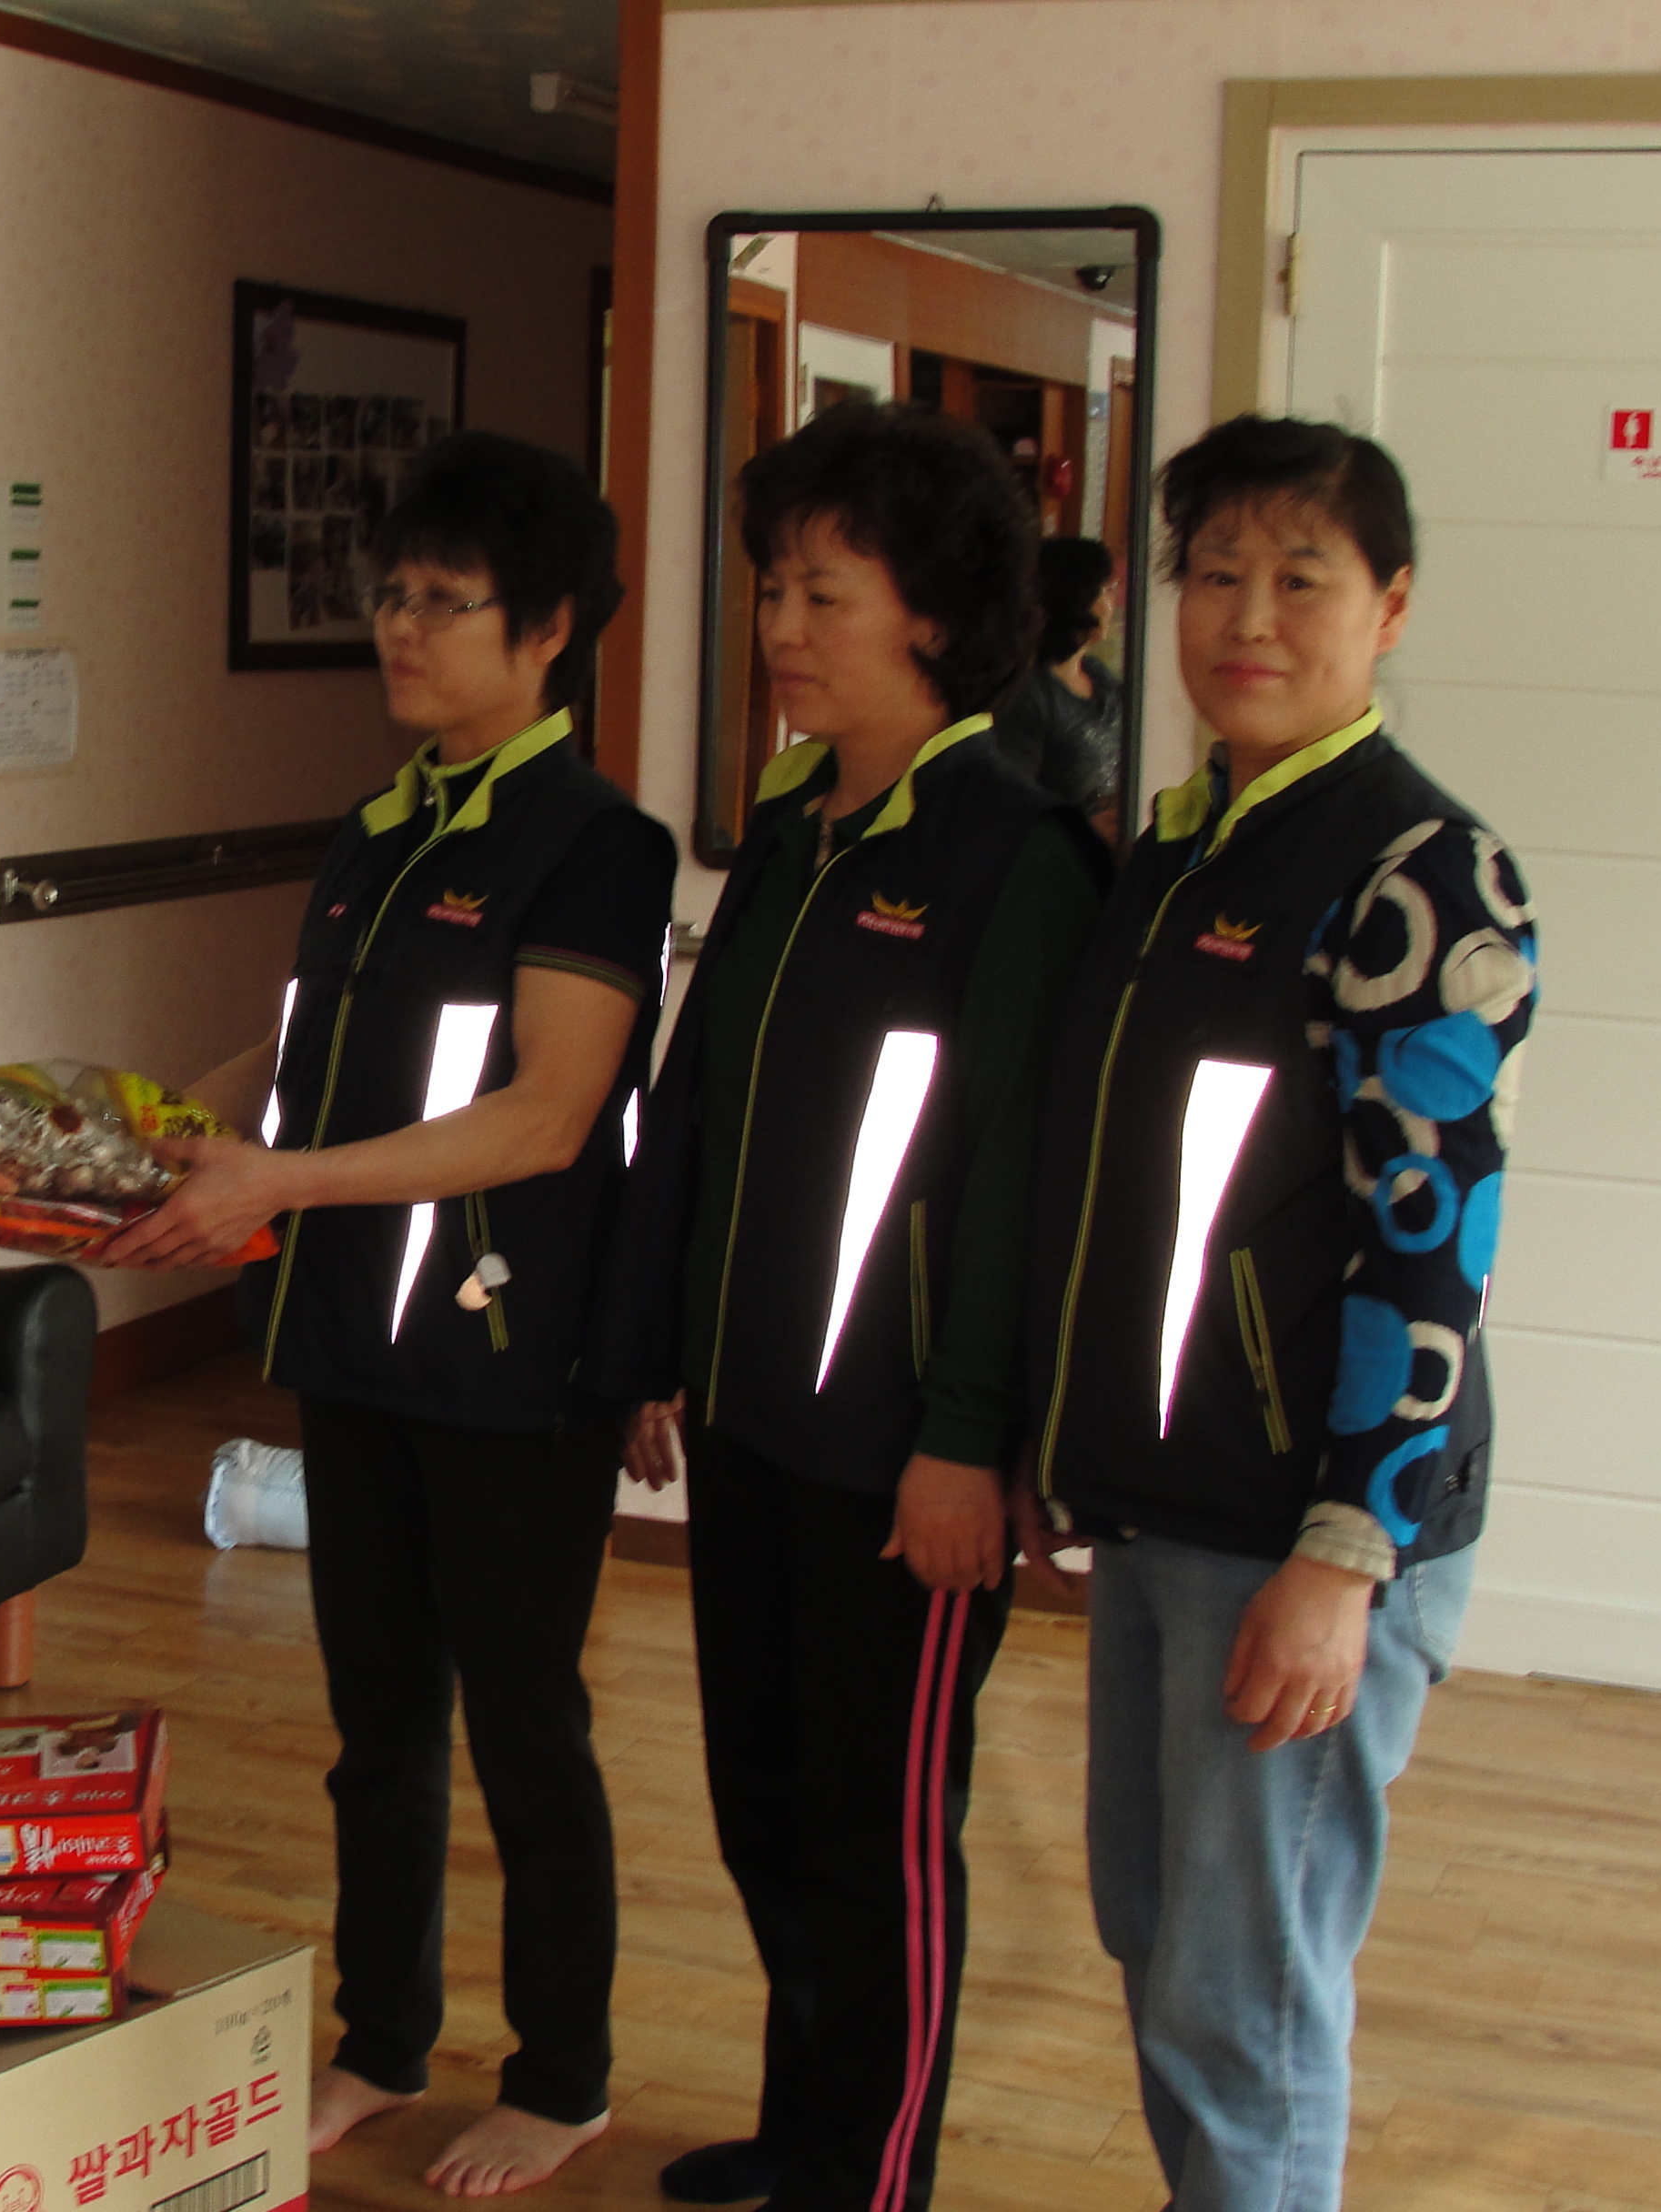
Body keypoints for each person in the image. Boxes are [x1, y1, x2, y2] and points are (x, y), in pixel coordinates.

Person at [105, 431, 675, 2196]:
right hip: (352, 1337)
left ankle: (561, 2076)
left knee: (523, 1727)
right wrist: (148, 1128)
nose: (402, 629)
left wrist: (276, 1181)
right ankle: (380, 2039)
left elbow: (546, 1114)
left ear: (549, 629)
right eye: (392, 595)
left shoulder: (596, 846)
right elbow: (301, 1052)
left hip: (509, 1360)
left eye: (447, 601)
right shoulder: (381, 827)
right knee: (377, 1729)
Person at [584, 403, 1108, 2212]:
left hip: (901, 1459)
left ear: (935, 615)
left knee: (879, 1842)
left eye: (824, 592)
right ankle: (808, 2126)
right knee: (768, 1805)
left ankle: (871, 2177)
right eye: (771, 589)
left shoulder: (1014, 859)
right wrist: (652, 1350)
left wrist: (967, 1440)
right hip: (752, 1421)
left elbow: (1018, 1179)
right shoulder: (795, 836)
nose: (781, 628)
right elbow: (697, 1114)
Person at [1022, 417, 1533, 2212]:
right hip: (1167, 1495)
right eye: (1215, 573)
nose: (1247, 615)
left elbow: (1433, 1244)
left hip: (1307, 1521)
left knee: (1246, 1994)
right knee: (1159, 1934)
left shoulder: (1420, 870)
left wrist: (1346, 1547)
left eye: (1298, 577)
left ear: (1388, 606)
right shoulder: (1177, 851)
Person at [984, 535, 1124, 835]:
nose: (1112, 601)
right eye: (1105, 590)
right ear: (1078, 599)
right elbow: (1006, 812)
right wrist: (1086, 832)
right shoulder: (1029, 696)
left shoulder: (1101, 677)